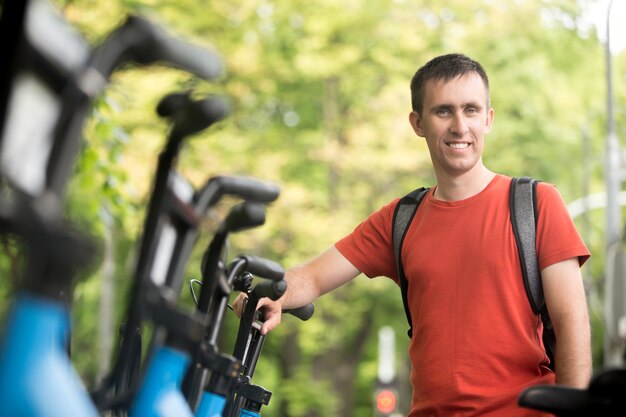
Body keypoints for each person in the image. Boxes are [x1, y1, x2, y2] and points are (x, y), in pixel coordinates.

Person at [236, 53, 591, 417]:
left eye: (471, 110)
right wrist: (276, 294)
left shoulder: (535, 204)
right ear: (418, 123)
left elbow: (572, 322)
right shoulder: (400, 219)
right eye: (443, 111)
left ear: (488, 119)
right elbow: (311, 276)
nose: (459, 126)